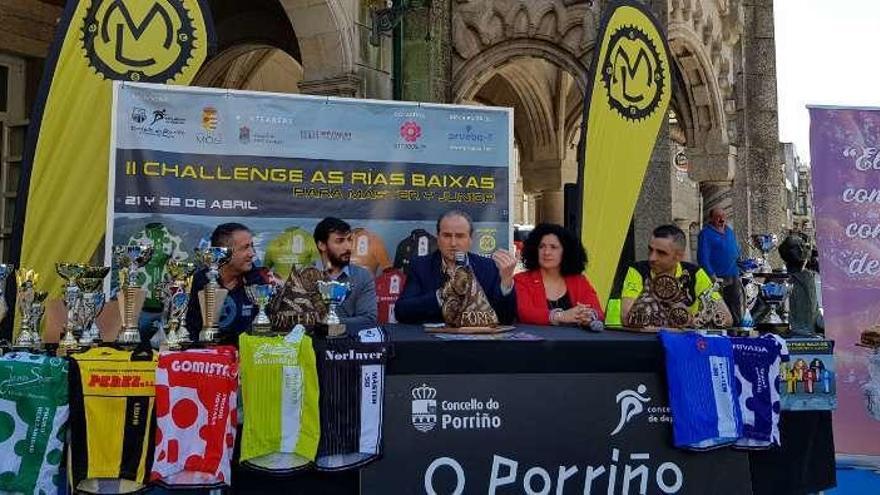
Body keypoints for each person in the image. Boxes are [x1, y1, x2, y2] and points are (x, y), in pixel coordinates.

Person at [395, 210, 517, 324]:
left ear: (470, 239)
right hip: (435, 344)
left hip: (480, 343)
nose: (453, 243)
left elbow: (506, 318)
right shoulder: (421, 266)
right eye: (447, 236)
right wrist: (443, 296)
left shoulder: (488, 267)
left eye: (460, 236)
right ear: (437, 238)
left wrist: (506, 282)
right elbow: (402, 312)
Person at [621, 224, 733, 328]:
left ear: (679, 256)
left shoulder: (695, 273)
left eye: (661, 253)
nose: (652, 258)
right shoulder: (638, 270)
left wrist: (690, 319)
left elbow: (727, 318)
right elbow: (626, 318)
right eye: (650, 250)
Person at [186, 222, 272, 341]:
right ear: (224, 253)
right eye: (245, 247)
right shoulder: (201, 281)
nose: (252, 253)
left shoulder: (257, 280)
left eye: (252, 246)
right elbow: (191, 328)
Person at [513, 223, 604, 326]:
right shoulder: (522, 280)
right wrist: (560, 316)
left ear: (566, 252)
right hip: (538, 340)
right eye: (541, 247)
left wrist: (588, 316)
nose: (546, 252)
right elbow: (524, 313)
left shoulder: (579, 280)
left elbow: (598, 312)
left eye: (553, 247)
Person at [312, 217, 378, 331]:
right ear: (322, 245)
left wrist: (330, 323)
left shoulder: (362, 276)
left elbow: (368, 319)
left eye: (349, 240)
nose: (348, 247)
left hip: (349, 343)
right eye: (340, 241)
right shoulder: (303, 277)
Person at [697, 207, 743, 325]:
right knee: (720, 305)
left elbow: (735, 248)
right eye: (718, 216)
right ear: (711, 218)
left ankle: (737, 327)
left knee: (735, 303)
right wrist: (711, 275)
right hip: (718, 276)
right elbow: (703, 256)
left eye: (723, 216)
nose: (721, 219)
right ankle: (723, 329)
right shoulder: (706, 234)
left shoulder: (729, 230)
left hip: (733, 273)